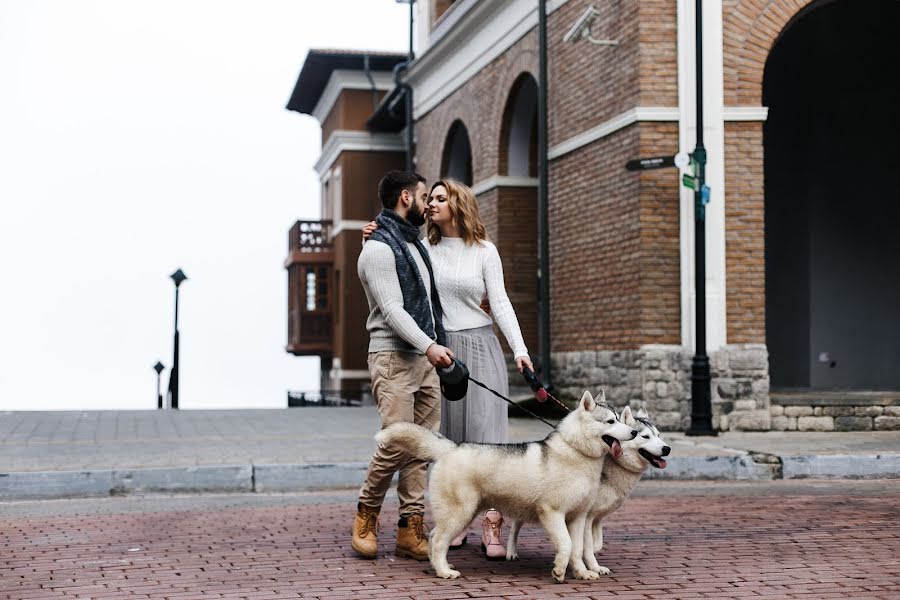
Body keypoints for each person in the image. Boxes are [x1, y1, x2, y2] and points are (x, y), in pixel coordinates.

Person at [364, 178, 533, 560]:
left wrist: (520, 351)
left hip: (482, 346)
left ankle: (493, 526)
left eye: (440, 198)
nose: (432, 205)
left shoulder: (485, 251)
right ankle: (454, 521)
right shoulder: (422, 249)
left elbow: (501, 304)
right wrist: (373, 235)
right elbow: (393, 270)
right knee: (449, 441)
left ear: (459, 204)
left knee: (489, 440)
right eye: (431, 198)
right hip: (441, 352)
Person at [352, 170, 455, 562]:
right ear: (406, 198)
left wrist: (433, 347)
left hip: (424, 358)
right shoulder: (378, 249)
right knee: (395, 443)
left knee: (421, 448)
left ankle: (410, 529)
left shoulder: (414, 245)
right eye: (424, 196)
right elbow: (393, 310)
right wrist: (430, 346)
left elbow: (428, 301)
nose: (429, 203)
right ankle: (366, 513)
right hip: (393, 358)